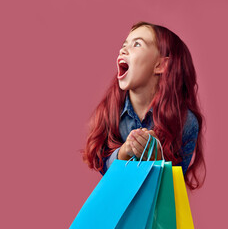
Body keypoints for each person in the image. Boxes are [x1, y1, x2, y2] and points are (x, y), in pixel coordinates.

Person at [82, 21, 206, 189]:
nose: (122, 50)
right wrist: (124, 152)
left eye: (137, 44)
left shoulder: (186, 122)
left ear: (161, 65)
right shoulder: (109, 110)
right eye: (124, 44)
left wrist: (157, 162)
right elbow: (102, 166)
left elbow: (173, 190)